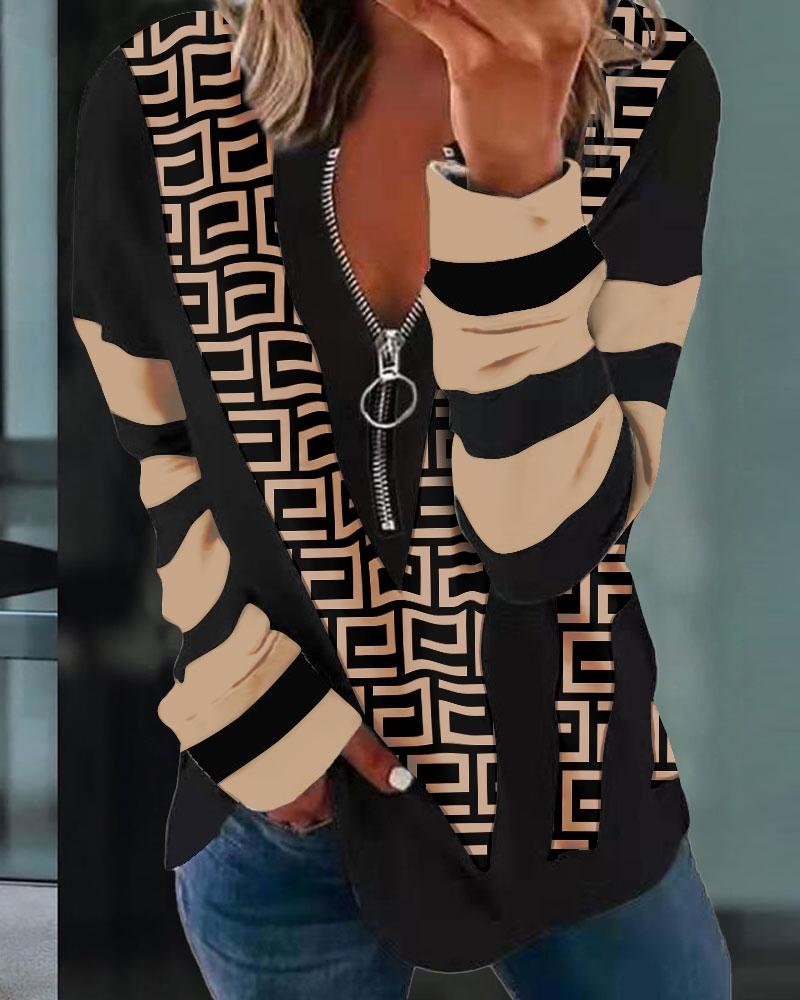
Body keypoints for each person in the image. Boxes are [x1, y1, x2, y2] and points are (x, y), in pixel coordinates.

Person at [69, 0, 730, 995]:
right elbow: (157, 451)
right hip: (284, 794)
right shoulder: (161, 95)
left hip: (572, 778)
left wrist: (516, 187)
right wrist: (250, 703)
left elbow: (545, 543)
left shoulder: (650, 84)